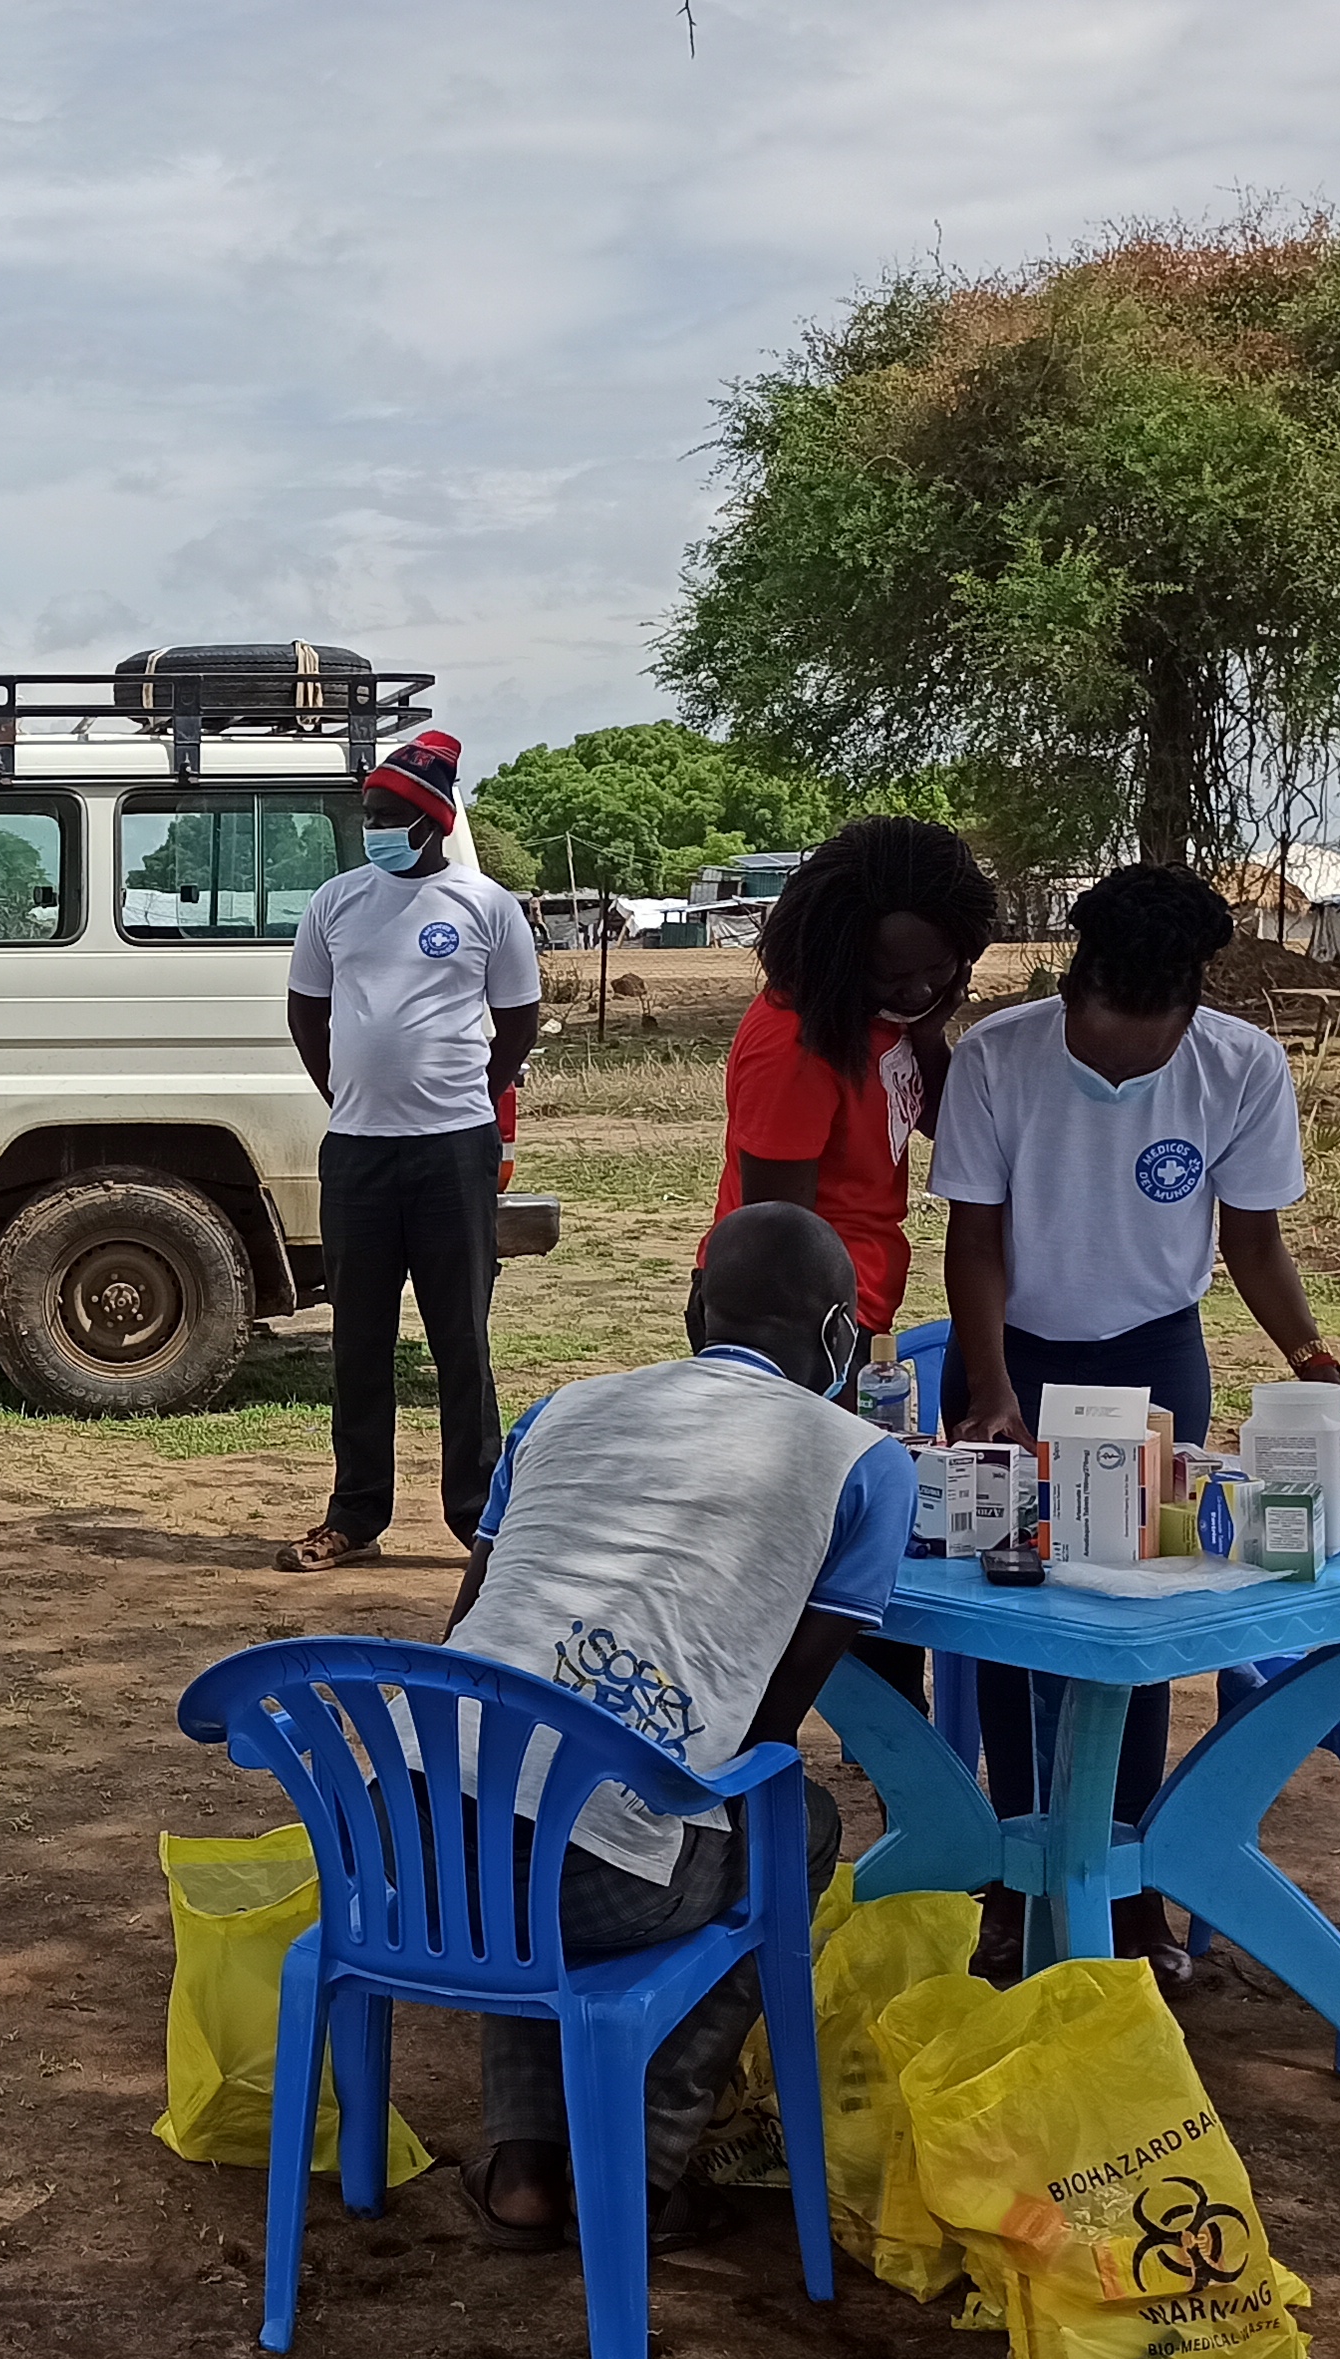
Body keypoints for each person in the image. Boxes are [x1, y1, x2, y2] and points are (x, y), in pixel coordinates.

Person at [934, 863, 1340, 1982]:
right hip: (1014, 1358)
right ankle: (1018, 1883)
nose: (1125, 1066)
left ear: (1192, 1004)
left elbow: (1253, 1241)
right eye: (1107, 1038)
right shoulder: (997, 1056)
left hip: (1156, 1359)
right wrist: (987, 1386)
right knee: (1015, 1627)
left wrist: (1321, 1368)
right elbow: (973, 1237)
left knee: (1138, 1630)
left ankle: (1129, 1885)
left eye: (1150, 1044)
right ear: (1076, 987)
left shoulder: (1238, 1065)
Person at [439, 1202, 894, 2253]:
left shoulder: (557, 1409)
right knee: (795, 1825)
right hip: (595, 1881)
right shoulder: (862, 1462)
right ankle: (639, 2172)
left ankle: (519, 2168)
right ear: (839, 1338)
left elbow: (469, 1621)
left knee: (528, 1792)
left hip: (409, 1851)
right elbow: (761, 1733)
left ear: (693, 1308)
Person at [276, 729, 542, 1574]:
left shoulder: (486, 907)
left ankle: (476, 1521)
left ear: (432, 821)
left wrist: (467, 1099)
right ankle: (355, 1515)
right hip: (357, 1154)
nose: (376, 830)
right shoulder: (335, 903)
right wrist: (350, 1094)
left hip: (452, 1154)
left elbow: (518, 1023)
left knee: (460, 1336)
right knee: (358, 1340)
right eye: (369, 816)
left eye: (391, 817)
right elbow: (306, 1015)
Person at [712, 815, 1000, 1351]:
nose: (917, 990)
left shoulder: (885, 1019)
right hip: (792, 1319)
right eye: (891, 975)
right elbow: (777, 1232)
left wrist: (929, 1034)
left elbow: (946, 1125)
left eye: (936, 968)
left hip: (849, 1301)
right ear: (842, 958)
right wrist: (818, 1352)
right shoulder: (798, 1042)